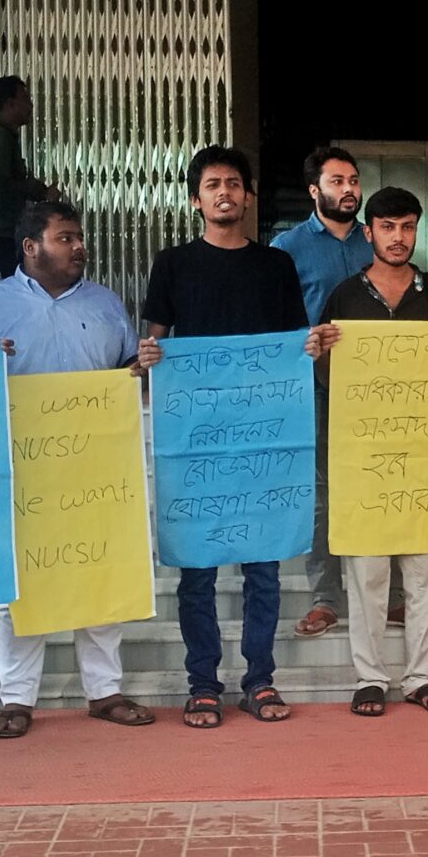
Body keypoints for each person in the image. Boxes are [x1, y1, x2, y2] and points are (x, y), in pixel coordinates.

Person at [0, 199, 156, 737]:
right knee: (21, 583)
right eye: (65, 238)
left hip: (97, 464)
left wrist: (141, 367)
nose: (79, 246)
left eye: (79, 237)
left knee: (101, 570)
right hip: (22, 466)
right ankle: (17, 699)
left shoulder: (107, 302)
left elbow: (124, 371)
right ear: (30, 247)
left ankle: (105, 691)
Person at [306, 186, 428, 717]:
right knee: (367, 575)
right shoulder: (345, 296)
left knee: (424, 574)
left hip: (426, 457)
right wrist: (319, 352)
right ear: (368, 232)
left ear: (418, 230)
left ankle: (421, 678)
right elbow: (328, 379)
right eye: (388, 227)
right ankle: (370, 678)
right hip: (365, 457)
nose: (398, 237)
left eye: (408, 227)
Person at [138, 145, 309, 730]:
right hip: (197, 438)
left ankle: (259, 679)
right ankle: (203, 683)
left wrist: (311, 348)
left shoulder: (275, 265)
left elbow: (295, 344)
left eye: (234, 183)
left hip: (265, 436)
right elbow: (155, 341)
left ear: (248, 196)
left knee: (263, 569)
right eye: (212, 185)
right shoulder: (173, 264)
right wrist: (148, 358)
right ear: (196, 199)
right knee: (198, 570)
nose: (224, 193)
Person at [269, 145, 375, 638]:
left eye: (353, 180)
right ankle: (326, 599)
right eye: (337, 181)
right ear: (315, 190)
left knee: (378, 483)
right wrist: (302, 342)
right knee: (321, 494)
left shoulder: (376, 239)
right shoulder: (287, 247)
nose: (348, 189)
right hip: (312, 385)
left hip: (376, 388)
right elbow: (273, 318)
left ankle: (389, 595)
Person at [0, 76, 53, 281]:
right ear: (10, 104)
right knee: (4, 285)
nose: (30, 105)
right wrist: (38, 191)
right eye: (26, 99)